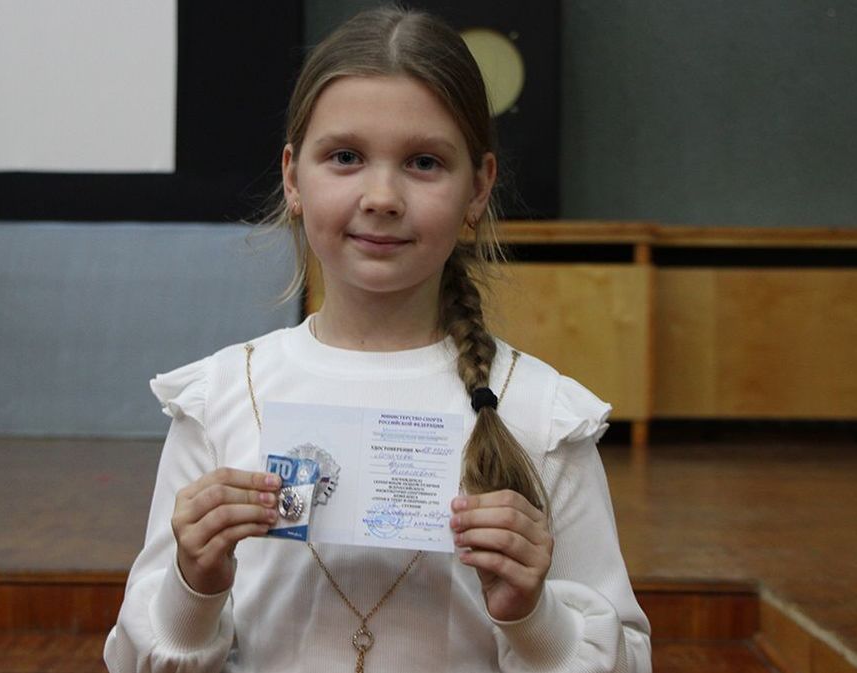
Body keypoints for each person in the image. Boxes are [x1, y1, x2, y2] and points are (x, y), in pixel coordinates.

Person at [105, 7, 651, 672]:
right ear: (293, 177)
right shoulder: (222, 396)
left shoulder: (540, 413)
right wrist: (194, 584)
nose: (382, 196)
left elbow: (627, 657)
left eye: (424, 162)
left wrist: (534, 616)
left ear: (478, 187)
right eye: (346, 157)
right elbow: (138, 658)